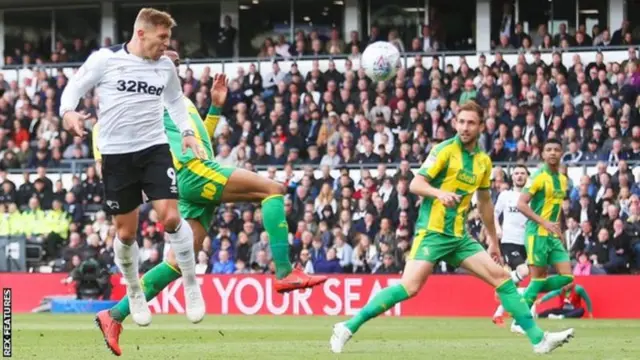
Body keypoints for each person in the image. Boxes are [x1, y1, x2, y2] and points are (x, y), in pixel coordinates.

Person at [95, 50, 327, 356]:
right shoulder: (151, 93)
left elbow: (199, 139)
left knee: (178, 263)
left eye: (176, 63)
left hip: (191, 173)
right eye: (167, 60)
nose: (174, 65)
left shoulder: (178, 99)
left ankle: (113, 316)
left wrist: (215, 109)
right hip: (192, 172)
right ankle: (284, 273)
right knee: (272, 189)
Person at [330, 101, 574, 355]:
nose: (464, 127)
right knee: (410, 287)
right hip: (433, 233)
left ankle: (539, 340)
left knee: (502, 278)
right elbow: (416, 183)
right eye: (461, 122)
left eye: (470, 123)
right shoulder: (444, 150)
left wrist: (492, 240)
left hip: (460, 237)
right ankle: (347, 326)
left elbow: (485, 202)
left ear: (481, 126)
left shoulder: (483, 162)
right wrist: (438, 193)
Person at [60, 8, 205, 330]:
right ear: (141, 34)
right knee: (126, 233)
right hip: (116, 156)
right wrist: (68, 112)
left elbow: (176, 102)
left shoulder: (165, 66)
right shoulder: (105, 60)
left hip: (154, 150)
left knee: (170, 217)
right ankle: (134, 290)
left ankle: (192, 283)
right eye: (162, 38)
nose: (167, 45)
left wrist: (188, 133)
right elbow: (74, 87)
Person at [515, 138, 574, 332]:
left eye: (556, 149)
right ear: (542, 154)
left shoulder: (563, 179)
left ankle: (526, 295)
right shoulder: (538, 176)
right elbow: (521, 204)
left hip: (552, 235)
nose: (552, 153)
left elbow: (556, 209)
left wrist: (559, 230)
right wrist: (545, 223)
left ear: (562, 152)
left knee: (567, 277)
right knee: (538, 278)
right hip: (537, 234)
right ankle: (520, 319)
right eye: (548, 149)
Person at [491, 164, 530, 326]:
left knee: (514, 288)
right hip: (509, 241)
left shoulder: (531, 196)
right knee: (524, 271)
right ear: (512, 177)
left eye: (522, 173)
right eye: (516, 173)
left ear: (527, 176)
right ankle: (501, 286)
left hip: (527, 242)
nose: (519, 176)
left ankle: (499, 312)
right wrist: (498, 228)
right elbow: (494, 213)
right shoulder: (505, 195)